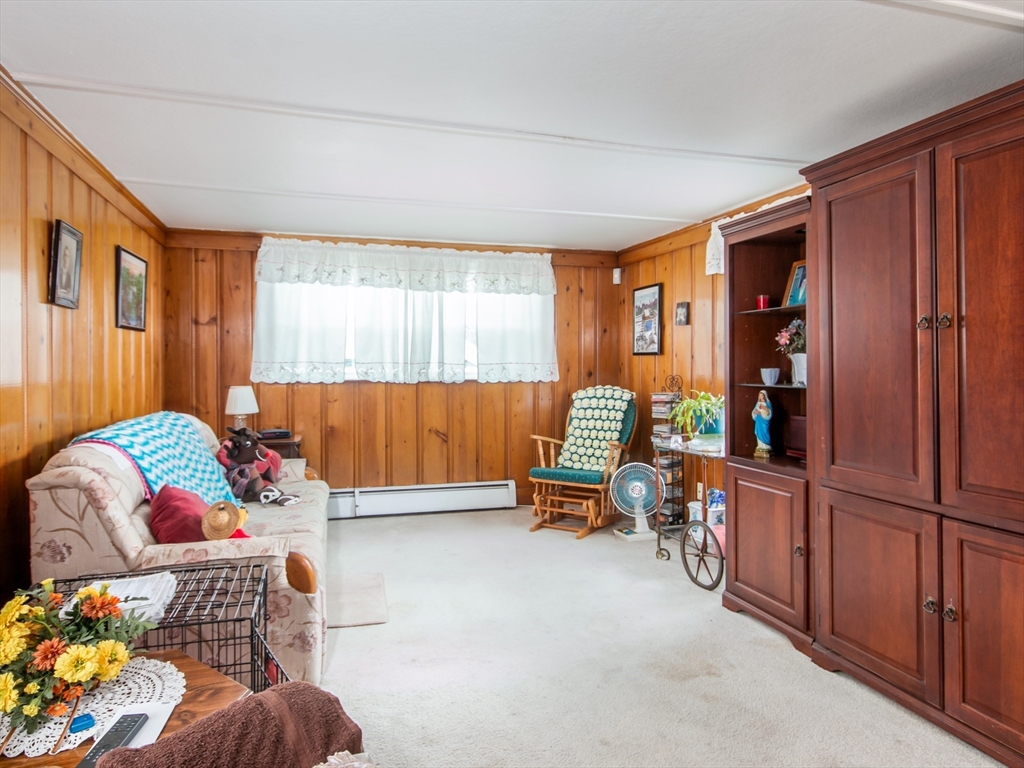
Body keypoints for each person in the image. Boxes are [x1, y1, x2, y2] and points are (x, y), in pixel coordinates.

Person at [752, 390, 772, 456]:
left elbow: (770, 413)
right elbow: (754, 411)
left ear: (765, 396)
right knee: (758, 432)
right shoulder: (758, 403)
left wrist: (763, 411)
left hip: (764, 421)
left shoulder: (768, 403)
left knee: (765, 432)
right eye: (760, 395)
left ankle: (766, 446)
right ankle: (760, 446)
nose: (761, 396)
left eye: (762, 395)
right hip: (759, 421)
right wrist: (755, 412)